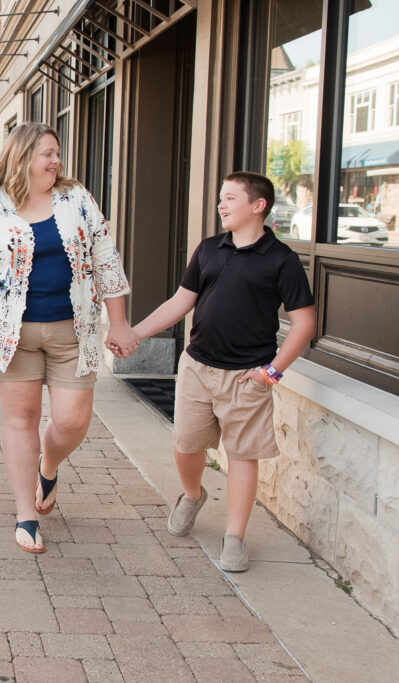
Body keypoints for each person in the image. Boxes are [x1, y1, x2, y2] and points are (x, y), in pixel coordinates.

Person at [0, 122, 138, 554]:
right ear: (23, 157)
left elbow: (106, 259)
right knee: (20, 419)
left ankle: (50, 462)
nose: (55, 160)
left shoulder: (76, 198)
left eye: (56, 152)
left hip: (72, 330)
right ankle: (26, 513)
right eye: (47, 153)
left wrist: (119, 323)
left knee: (72, 420)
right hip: (11, 334)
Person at [128, 171, 315, 572]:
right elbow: (180, 302)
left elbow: (304, 323)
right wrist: (136, 333)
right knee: (186, 444)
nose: (221, 205)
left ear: (258, 205)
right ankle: (193, 495)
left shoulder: (281, 260)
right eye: (220, 198)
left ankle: (235, 537)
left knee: (243, 456)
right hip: (197, 366)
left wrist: (272, 373)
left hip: (248, 375)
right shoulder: (210, 249)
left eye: (230, 198)